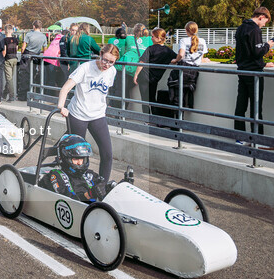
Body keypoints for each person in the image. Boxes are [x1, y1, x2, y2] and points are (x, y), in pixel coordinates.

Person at [56, 44, 119, 182]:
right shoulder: (85, 68)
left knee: (107, 154)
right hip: (78, 114)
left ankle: (102, 185)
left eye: (111, 62)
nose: (107, 64)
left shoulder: (112, 71)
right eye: (105, 60)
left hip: (97, 116)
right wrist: (62, 107)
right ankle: (74, 183)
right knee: (77, 155)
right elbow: (65, 88)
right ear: (100, 54)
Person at [233, 7, 274, 140]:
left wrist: (262, 63)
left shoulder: (241, 28)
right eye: (265, 22)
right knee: (256, 107)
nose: (264, 25)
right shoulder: (255, 30)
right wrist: (268, 45)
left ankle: (240, 137)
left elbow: (246, 53)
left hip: (242, 70)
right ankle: (257, 139)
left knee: (241, 105)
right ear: (261, 17)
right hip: (254, 73)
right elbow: (257, 52)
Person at [38, 134, 108, 202]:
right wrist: (89, 195)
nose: (80, 163)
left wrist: (108, 188)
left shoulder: (89, 174)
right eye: (76, 159)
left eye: (82, 159)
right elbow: (67, 201)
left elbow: (102, 184)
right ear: (66, 158)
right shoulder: (56, 176)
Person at [133, 28, 177, 114]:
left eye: (153, 36)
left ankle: (147, 119)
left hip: (144, 76)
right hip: (155, 78)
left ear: (159, 38)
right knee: (152, 98)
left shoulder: (150, 48)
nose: (151, 38)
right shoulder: (168, 51)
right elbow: (177, 58)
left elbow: (142, 62)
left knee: (144, 99)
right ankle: (155, 118)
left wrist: (136, 75)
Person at [167, 22, 209, 109]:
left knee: (176, 91)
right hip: (193, 72)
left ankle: (177, 116)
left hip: (183, 69)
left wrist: (176, 60)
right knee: (185, 92)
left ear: (186, 30)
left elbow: (181, 54)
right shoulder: (202, 41)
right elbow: (200, 58)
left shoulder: (183, 40)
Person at [2, 24, 19, 102]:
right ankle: (4, 94)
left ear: (5, 31)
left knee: (9, 79)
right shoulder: (15, 40)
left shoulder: (4, 40)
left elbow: (4, 52)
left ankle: (12, 96)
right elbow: (16, 48)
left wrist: (2, 58)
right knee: (10, 78)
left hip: (8, 59)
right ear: (12, 30)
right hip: (14, 59)